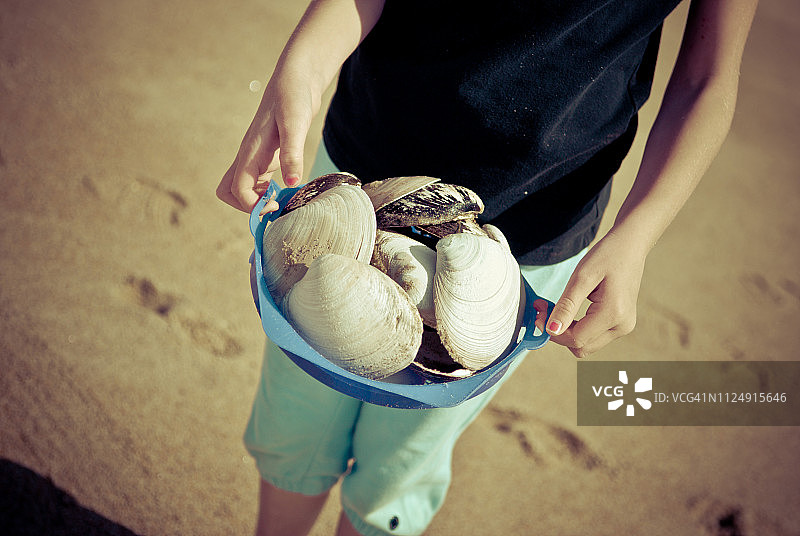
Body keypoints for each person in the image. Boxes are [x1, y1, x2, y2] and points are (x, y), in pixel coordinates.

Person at [216, 1, 758, 534]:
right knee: (296, 422)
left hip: (531, 233)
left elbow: (707, 79)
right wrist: (302, 69)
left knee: (401, 465)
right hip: (363, 178)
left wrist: (637, 234)